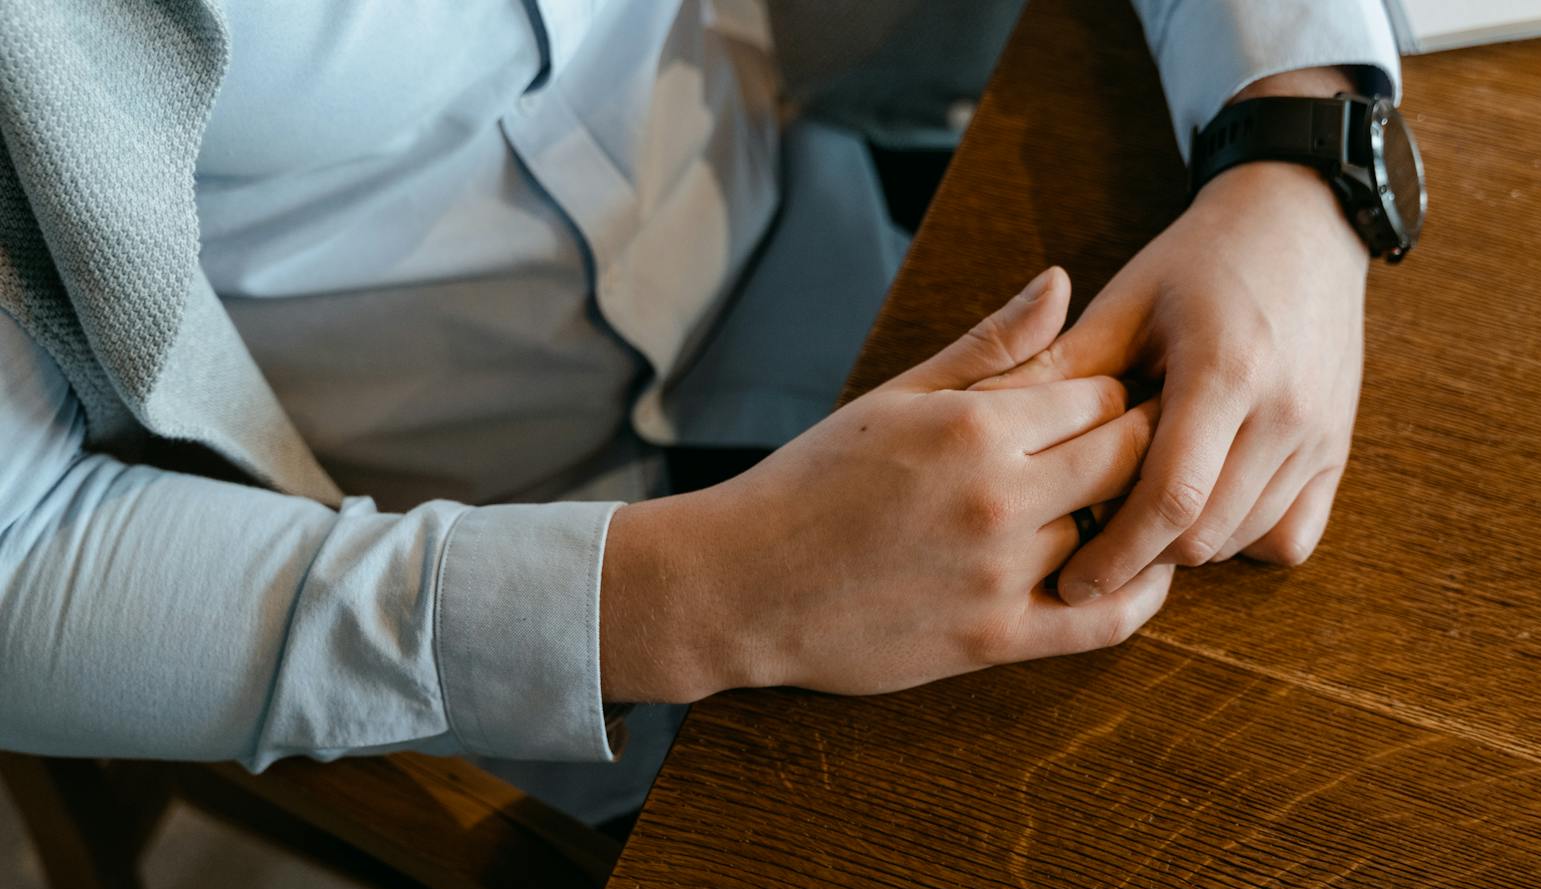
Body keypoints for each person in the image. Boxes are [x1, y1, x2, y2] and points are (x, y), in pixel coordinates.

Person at [0, 0, 1401, 825]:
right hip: (551, 571)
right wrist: (712, 596)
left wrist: (1299, 142)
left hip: (854, 188)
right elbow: (21, 553)